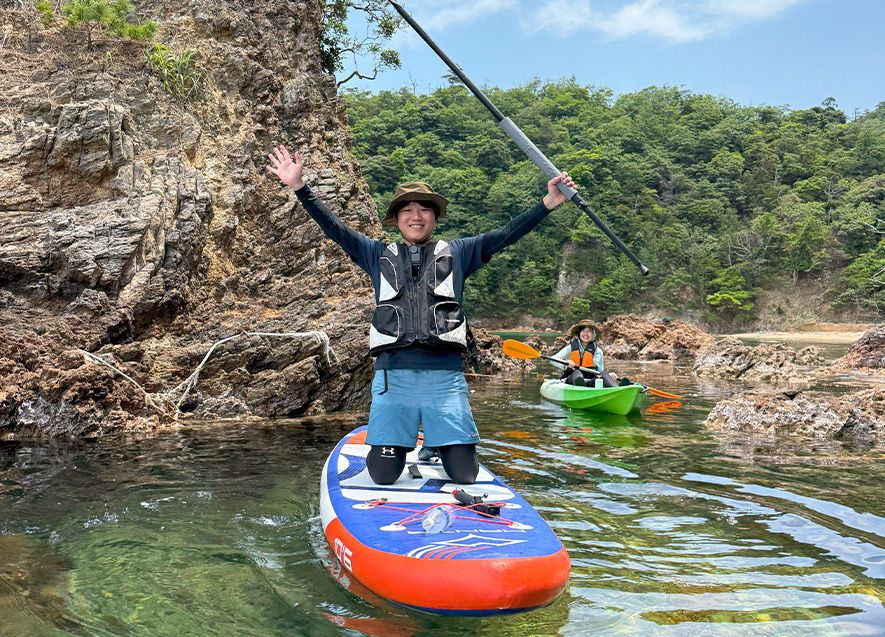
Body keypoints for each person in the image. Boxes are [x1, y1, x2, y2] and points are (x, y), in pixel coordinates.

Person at [266, 145, 576, 485]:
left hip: (445, 379)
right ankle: (416, 440)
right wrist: (300, 188)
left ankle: (438, 442)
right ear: (397, 219)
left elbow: (506, 234)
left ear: (435, 218)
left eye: (425, 209)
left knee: (465, 475)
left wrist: (548, 203)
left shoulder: (460, 252)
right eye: (408, 210)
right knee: (383, 476)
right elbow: (335, 229)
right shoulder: (375, 254)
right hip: (393, 379)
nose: (416, 216)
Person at [550, 319, 621, 387]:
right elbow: (553, 359)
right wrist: (565, 363)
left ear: (594, 334)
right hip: (571, 381)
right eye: (583, 330)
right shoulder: (570, 348)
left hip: (590, 382)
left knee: (604, 374)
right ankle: (580, 385)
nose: (586, 334)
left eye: (589, 331)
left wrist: (609, 375)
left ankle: (616, 388)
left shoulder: (598, 352)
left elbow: (600, 372)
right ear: (579, 333)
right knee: (577, 373)